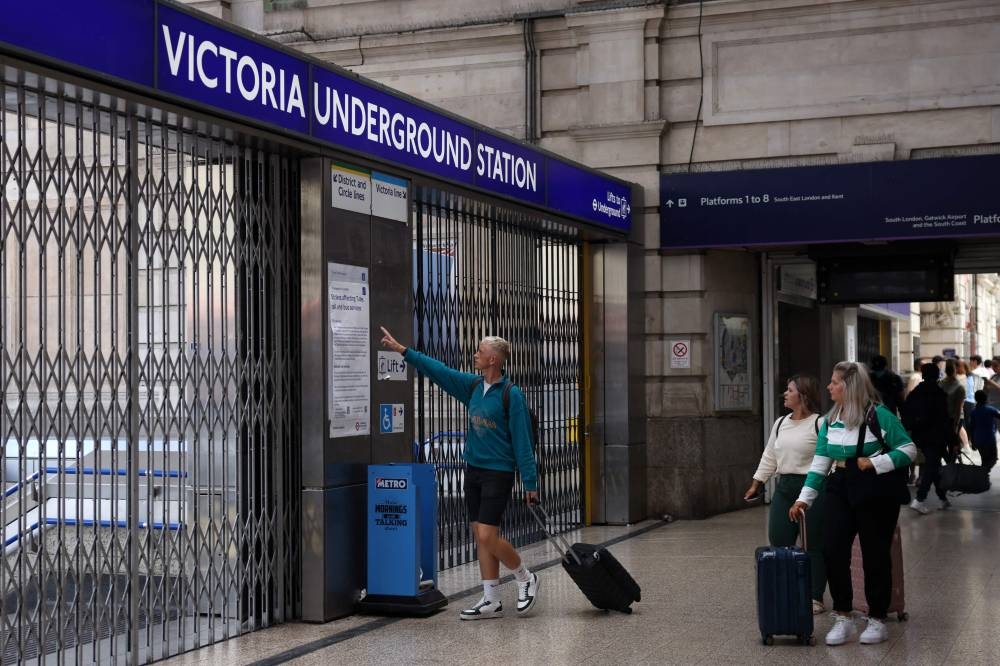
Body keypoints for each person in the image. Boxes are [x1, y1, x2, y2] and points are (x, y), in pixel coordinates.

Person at [379, 326, 540, 620]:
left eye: (480, 351)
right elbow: (440, 371)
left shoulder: (510, 394)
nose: (475, 355)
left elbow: (523, 441)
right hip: (474, 470)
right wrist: (404, 351)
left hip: (499, 472)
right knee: (481, 536)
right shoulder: (473, 387)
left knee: (487, 535)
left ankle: (525, 576)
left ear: (494, 359)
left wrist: (530, 482)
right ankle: (491, 599)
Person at [789, 361, 916, 647]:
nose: (829, 387)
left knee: (875, 554)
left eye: (835, 382)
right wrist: (803, 500)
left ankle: (877, 619)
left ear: (850, 386)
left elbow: (908, 449)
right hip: (840, 485)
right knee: (834, 550)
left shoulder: (879, 416)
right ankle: (843, 616)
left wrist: (875, 461)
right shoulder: (830, 421)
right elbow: (820, 464)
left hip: (875, 490)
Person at [744, 375, 827, 614]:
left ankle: (814, 596)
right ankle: (787, 590)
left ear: (802, 395)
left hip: (811, 487)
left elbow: (827, 459)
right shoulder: (780, 423)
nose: (785, 394)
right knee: (779, 540)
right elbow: (770, 455)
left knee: (812, 543)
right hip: (785, 487)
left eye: (789, 390)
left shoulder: (819, 424)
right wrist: (757, 483)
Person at [902, 364, 954, 514]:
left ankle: (943, 499)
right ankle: (919, 499)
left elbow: (906, 412)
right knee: (932, 466)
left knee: (934, 464)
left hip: (920, 435)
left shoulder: (915, 393)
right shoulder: (939, 394)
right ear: (937, 375)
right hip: (936, 436)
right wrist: (953, 440)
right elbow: (945, 419)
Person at [939, 358, 966, 461]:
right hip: (944, 419)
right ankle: (950, 463)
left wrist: (956, 424)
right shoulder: (941, 383)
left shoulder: (959, 386)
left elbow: (959, 408)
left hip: (953, 419)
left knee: (951, 445)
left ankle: (951, 467)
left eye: (951, 367)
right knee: (943, 445)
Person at [967, 390, 1000, 473]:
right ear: (986, 399)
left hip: (978, 440)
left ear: (975, 399)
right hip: (989, 439)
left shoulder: (973, 412)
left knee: (984, 459)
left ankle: (983, 477)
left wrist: (972, 441)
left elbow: (971, 428)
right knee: (993, 459)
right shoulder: (991, 410)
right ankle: (983, 473)